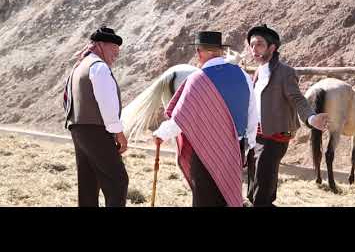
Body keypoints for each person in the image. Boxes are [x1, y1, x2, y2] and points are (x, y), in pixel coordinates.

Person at [152, 31, 258, 207]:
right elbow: (253, 115)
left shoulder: (197, 79)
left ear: (201, 52)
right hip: (234, 149)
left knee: (204, 201)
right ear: (220, 51)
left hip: (205, 151)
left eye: (198, 51)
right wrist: (247, 146)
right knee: (226, 199)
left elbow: (181, 119)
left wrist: (161, 134)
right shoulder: (243, 76)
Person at [246, 24, 328, 207]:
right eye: (251, 45)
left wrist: (311, 118)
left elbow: (297, 99)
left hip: (274, 137)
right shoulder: (259, 71)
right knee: (254, 190)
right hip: (256, 136)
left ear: (272, 48)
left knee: (261, 191)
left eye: (259, 44)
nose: (254, 49)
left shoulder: (285, 72)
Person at [63, 26, 129, 207]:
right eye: (113, 47)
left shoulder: (79, 66)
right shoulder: (99, 67)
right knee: (117, 181)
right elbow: (107, 104)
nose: (117, 53)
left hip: (78, 129)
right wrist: (119, 133)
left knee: (88, 184)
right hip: (96, 130)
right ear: (100, 45)